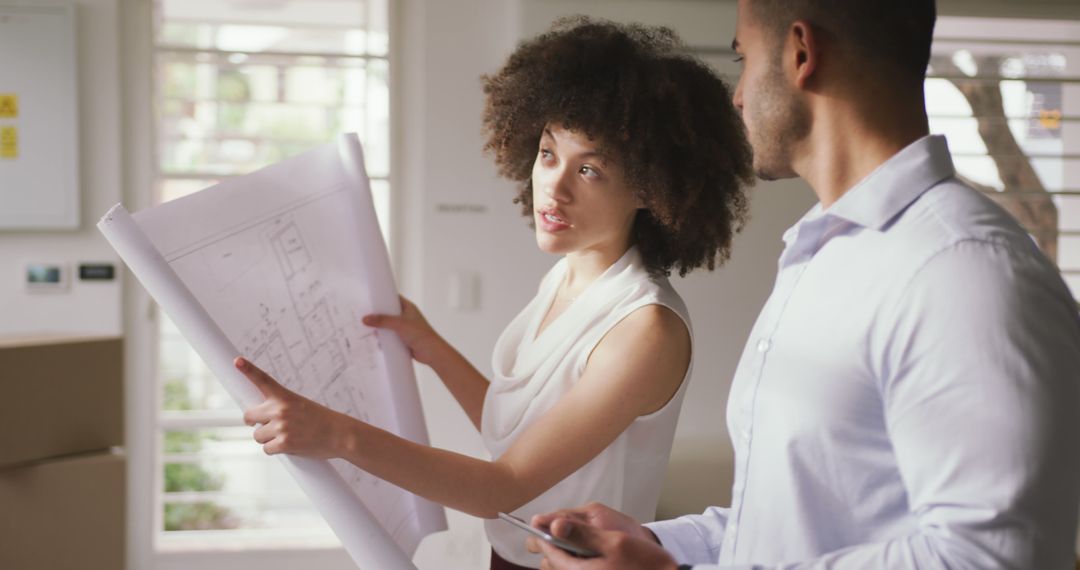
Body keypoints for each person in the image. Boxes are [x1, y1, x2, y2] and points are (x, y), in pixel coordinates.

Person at [527, 1, 1080, 569]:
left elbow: (993, 559)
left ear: (800, 52)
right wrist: (664, 545)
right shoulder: (821, 253)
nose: (738, 95)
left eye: (745, 58)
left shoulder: (963, 272)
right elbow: (787, 523)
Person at [232, 17, 753, 570]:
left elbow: (503, 486)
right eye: (549, 154)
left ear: (651, 188)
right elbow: (521, 435)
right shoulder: (570, 277)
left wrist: (332, 432)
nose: (555, 185)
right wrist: (430, 346)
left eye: (592, 169)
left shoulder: (645, 329)